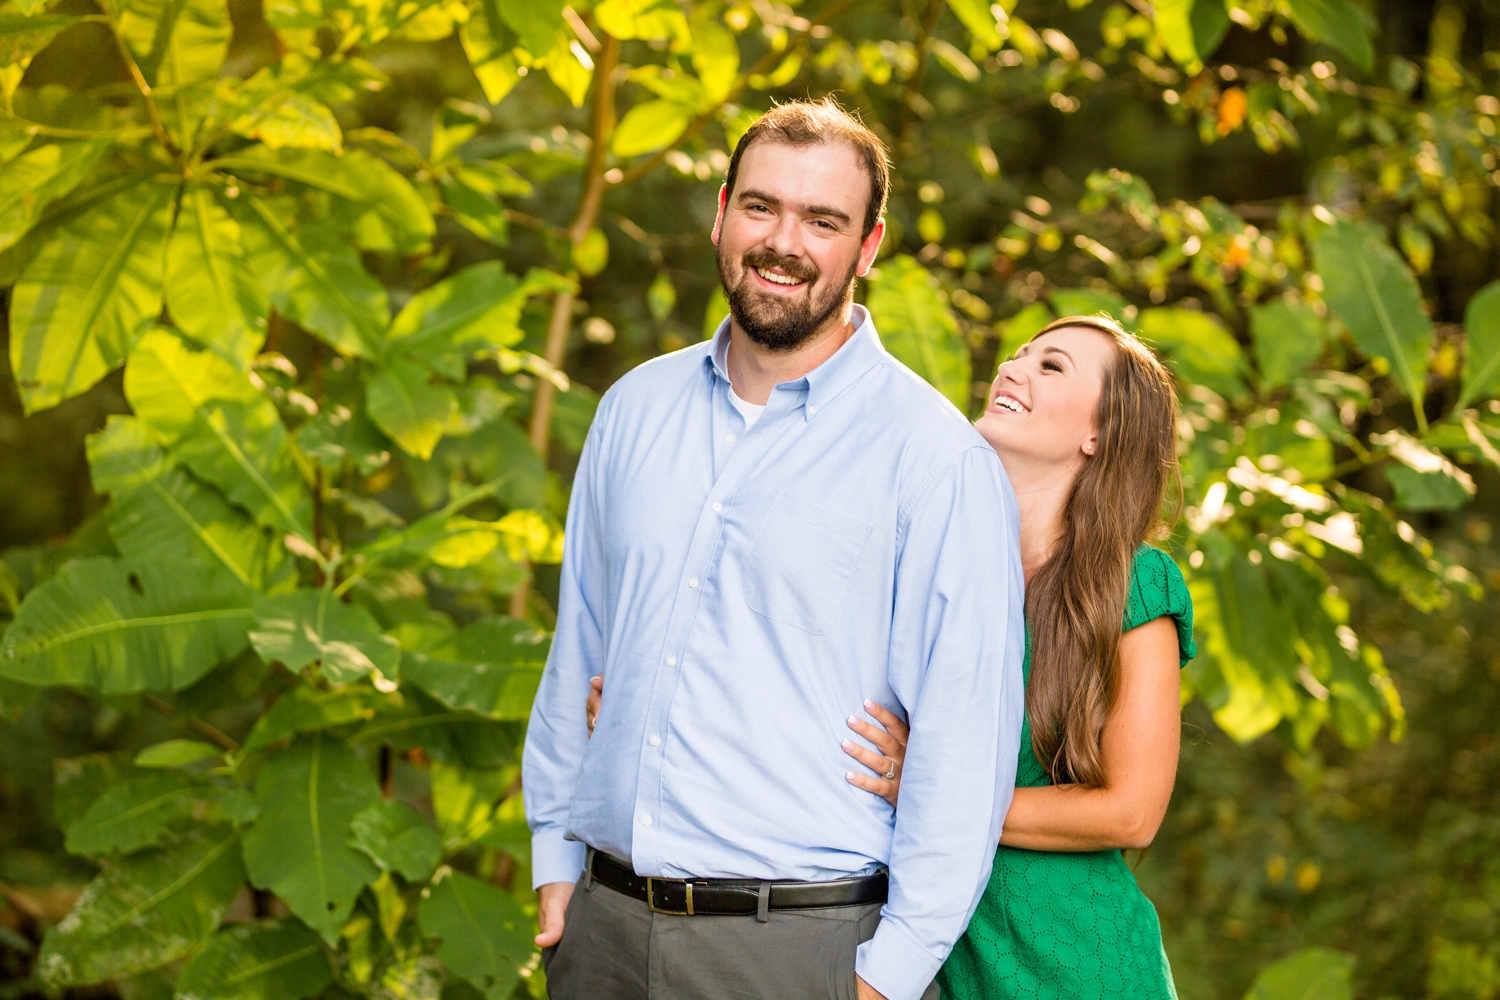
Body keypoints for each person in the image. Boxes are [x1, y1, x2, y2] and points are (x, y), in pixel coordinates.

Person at [522, 98, 1026, 1000]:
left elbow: (965, 742)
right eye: (761, 207)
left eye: (822, 220)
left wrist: (892, 974)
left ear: (867, 248)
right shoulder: (633, 409)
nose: (783, 242)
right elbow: (579, 652)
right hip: (600, 932)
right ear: (721, 212)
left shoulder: (935, 458)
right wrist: (555, 858)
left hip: (799, 949)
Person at [587, 313, 1196, 999]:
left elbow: (1131, 811)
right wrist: (646, 709)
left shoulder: (1133, 584)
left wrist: (936, 793)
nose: (1013, 368)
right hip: (920, 948)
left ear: (1101, 433)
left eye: (1052, 366)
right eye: (1019, 352)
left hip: (1072, 956)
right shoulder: (920, 545)